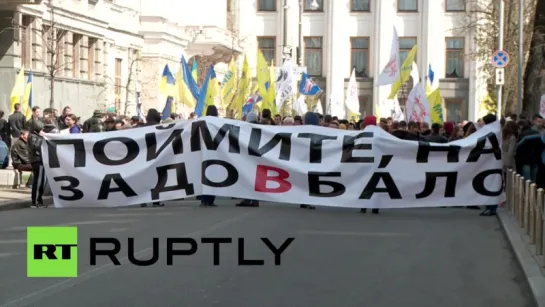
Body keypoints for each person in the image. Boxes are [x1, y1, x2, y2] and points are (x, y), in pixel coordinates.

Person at [139, 108, 165, 208]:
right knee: (157, 178)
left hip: (144, 155)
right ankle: (156, 200)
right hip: (157, 155)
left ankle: (142, 200)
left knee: (144, 178)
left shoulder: (141, 128)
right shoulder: (160, 127)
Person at [200, 106, 219, 207]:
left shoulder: (201, 121)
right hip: (215, 152)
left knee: (204, 176)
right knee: (213, 177)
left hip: (202, 153)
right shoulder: (218, 122)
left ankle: (204, 200)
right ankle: (210, 200)